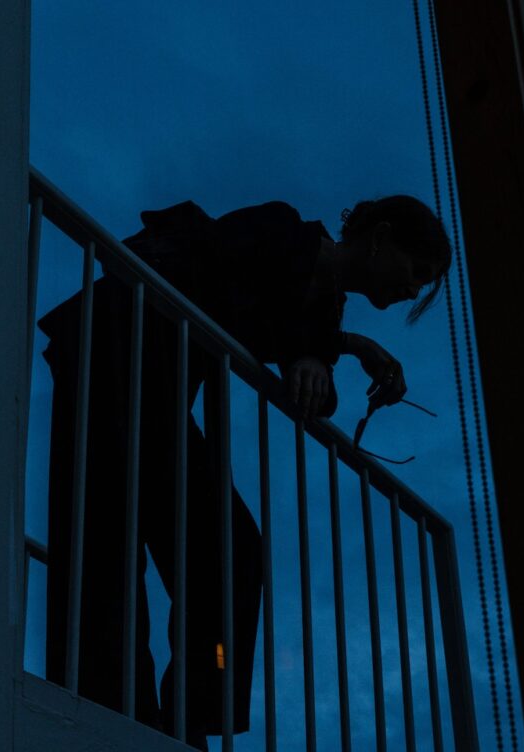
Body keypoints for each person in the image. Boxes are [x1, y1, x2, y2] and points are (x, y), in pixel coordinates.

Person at [38, 195, 451, 750]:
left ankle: (185, 720)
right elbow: (223, 279)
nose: (412, 289)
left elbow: (311, 385)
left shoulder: (325, 306)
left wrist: (323, 354)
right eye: (416, 270)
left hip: (156, 391)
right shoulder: (283, 226)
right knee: (111, 539)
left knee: (229, 551)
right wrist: (338, 346)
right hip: (111, 347)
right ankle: (113, 706)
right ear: (379, 237)